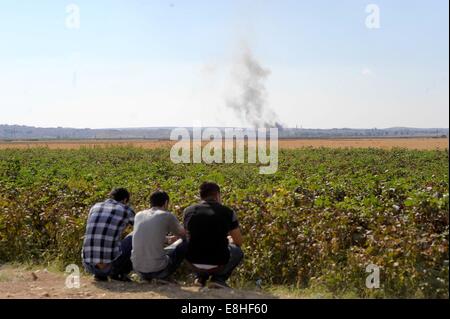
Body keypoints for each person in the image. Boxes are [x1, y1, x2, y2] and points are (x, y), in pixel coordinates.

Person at [183, 182, 244, 289]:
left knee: (186, 243)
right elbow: (238, 241)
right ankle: (218, 279)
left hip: (193, 263)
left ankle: (200, 278)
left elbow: (188, 235)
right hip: (218, 264)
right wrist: (229, 240)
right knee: (237, 251)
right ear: (217, 195)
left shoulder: (188, 211)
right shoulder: (228, 212)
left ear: (201, 196)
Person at [131, 191, 187, 282]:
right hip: (158, 270)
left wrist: (167, 239)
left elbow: (148, 236)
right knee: (185, 244)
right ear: (166, 203)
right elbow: (184, 235)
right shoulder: (166, 215)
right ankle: (164, 276)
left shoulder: (139, 215)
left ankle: (146, 277)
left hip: (138, 268)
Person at [82, 188, 135, 282]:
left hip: (88, 264)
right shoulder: (126, 209)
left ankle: (99, 275)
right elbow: (141, 227)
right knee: (135, 235)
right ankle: (118, 273)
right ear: (125, 200)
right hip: (109, 267)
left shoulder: (95, 206)